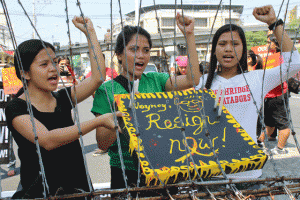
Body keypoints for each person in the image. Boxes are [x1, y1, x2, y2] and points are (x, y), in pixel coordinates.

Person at [5, 16, 122, 199]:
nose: (53, 69)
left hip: (78, 189)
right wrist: (97, 121)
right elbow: (48, 140)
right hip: (41, 193)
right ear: (25, 73)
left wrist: (90, 33)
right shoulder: (16, 108)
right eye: (44, 64)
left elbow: (97, 77)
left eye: (54, 61)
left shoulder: (63, 97)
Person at [91, 13, 201, 197]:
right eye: (134, 49)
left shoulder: (157, 80)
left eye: (146, 50)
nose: (141, 56)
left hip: (164, 166)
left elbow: (193, 79)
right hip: (126, 171)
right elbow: (102, 144)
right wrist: (119, 116)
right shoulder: (107, 91)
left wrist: (189, 36)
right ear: (118, 54)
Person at [195, 5, 299, 180]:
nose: (228, 49)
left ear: (244, 49)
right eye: (222, 44)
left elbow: (294, 63)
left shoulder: (257, 79)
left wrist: (274, 23)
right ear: (214, 50)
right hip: (211, 174)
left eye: (235, 44)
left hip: (248, 174)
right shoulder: (201, 83)